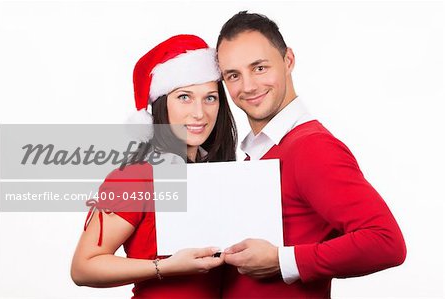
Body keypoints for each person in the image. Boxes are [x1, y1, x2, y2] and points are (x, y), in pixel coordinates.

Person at [216, 11, 406, 298]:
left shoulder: (311, 147)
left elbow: (386, 242)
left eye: (259, 68)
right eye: (233, 75)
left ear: (288, 61)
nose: (248, 86)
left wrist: (282, 260)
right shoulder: (260, 152)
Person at [71, 34, 237, 298]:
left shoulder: (220, 172)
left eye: (210, 98)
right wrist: (166, 266)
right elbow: (83, 267)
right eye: (184, 97)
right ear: (162, 104)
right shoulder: (137, 176)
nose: (199, 113)